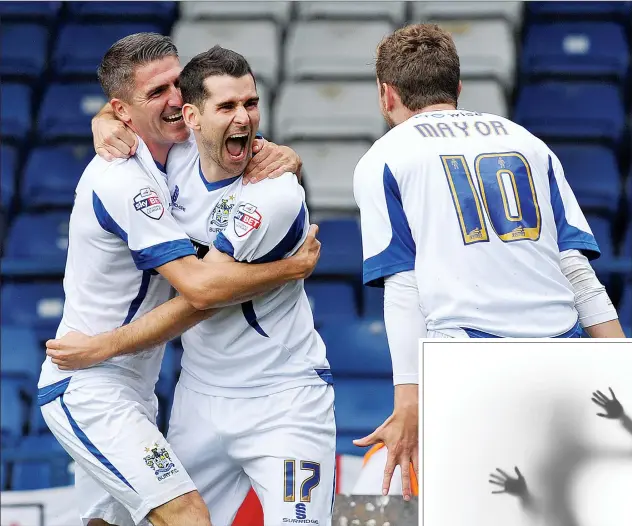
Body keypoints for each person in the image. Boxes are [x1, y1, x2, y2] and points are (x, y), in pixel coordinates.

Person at [47, 46, 336, 526]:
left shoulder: (273, 191)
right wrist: (290, 268)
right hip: (188, 395)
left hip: (283, 399)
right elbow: (203, 291)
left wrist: (289, 157)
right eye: (226, 106)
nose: (243, 117)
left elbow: (205, 294)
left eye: (251, 104)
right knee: (171, 516)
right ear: (193, 116)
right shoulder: (163, 162)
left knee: (115, 520)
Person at [351, 23, 625, 500]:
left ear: (385, 94)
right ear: (457, 88)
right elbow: (575, 268)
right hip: (563, 353)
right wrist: (621, 362)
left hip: (469, 356)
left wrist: (408, 399)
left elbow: (403, 285)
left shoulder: (385, 157)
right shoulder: (528, 142)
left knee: (379, 492)